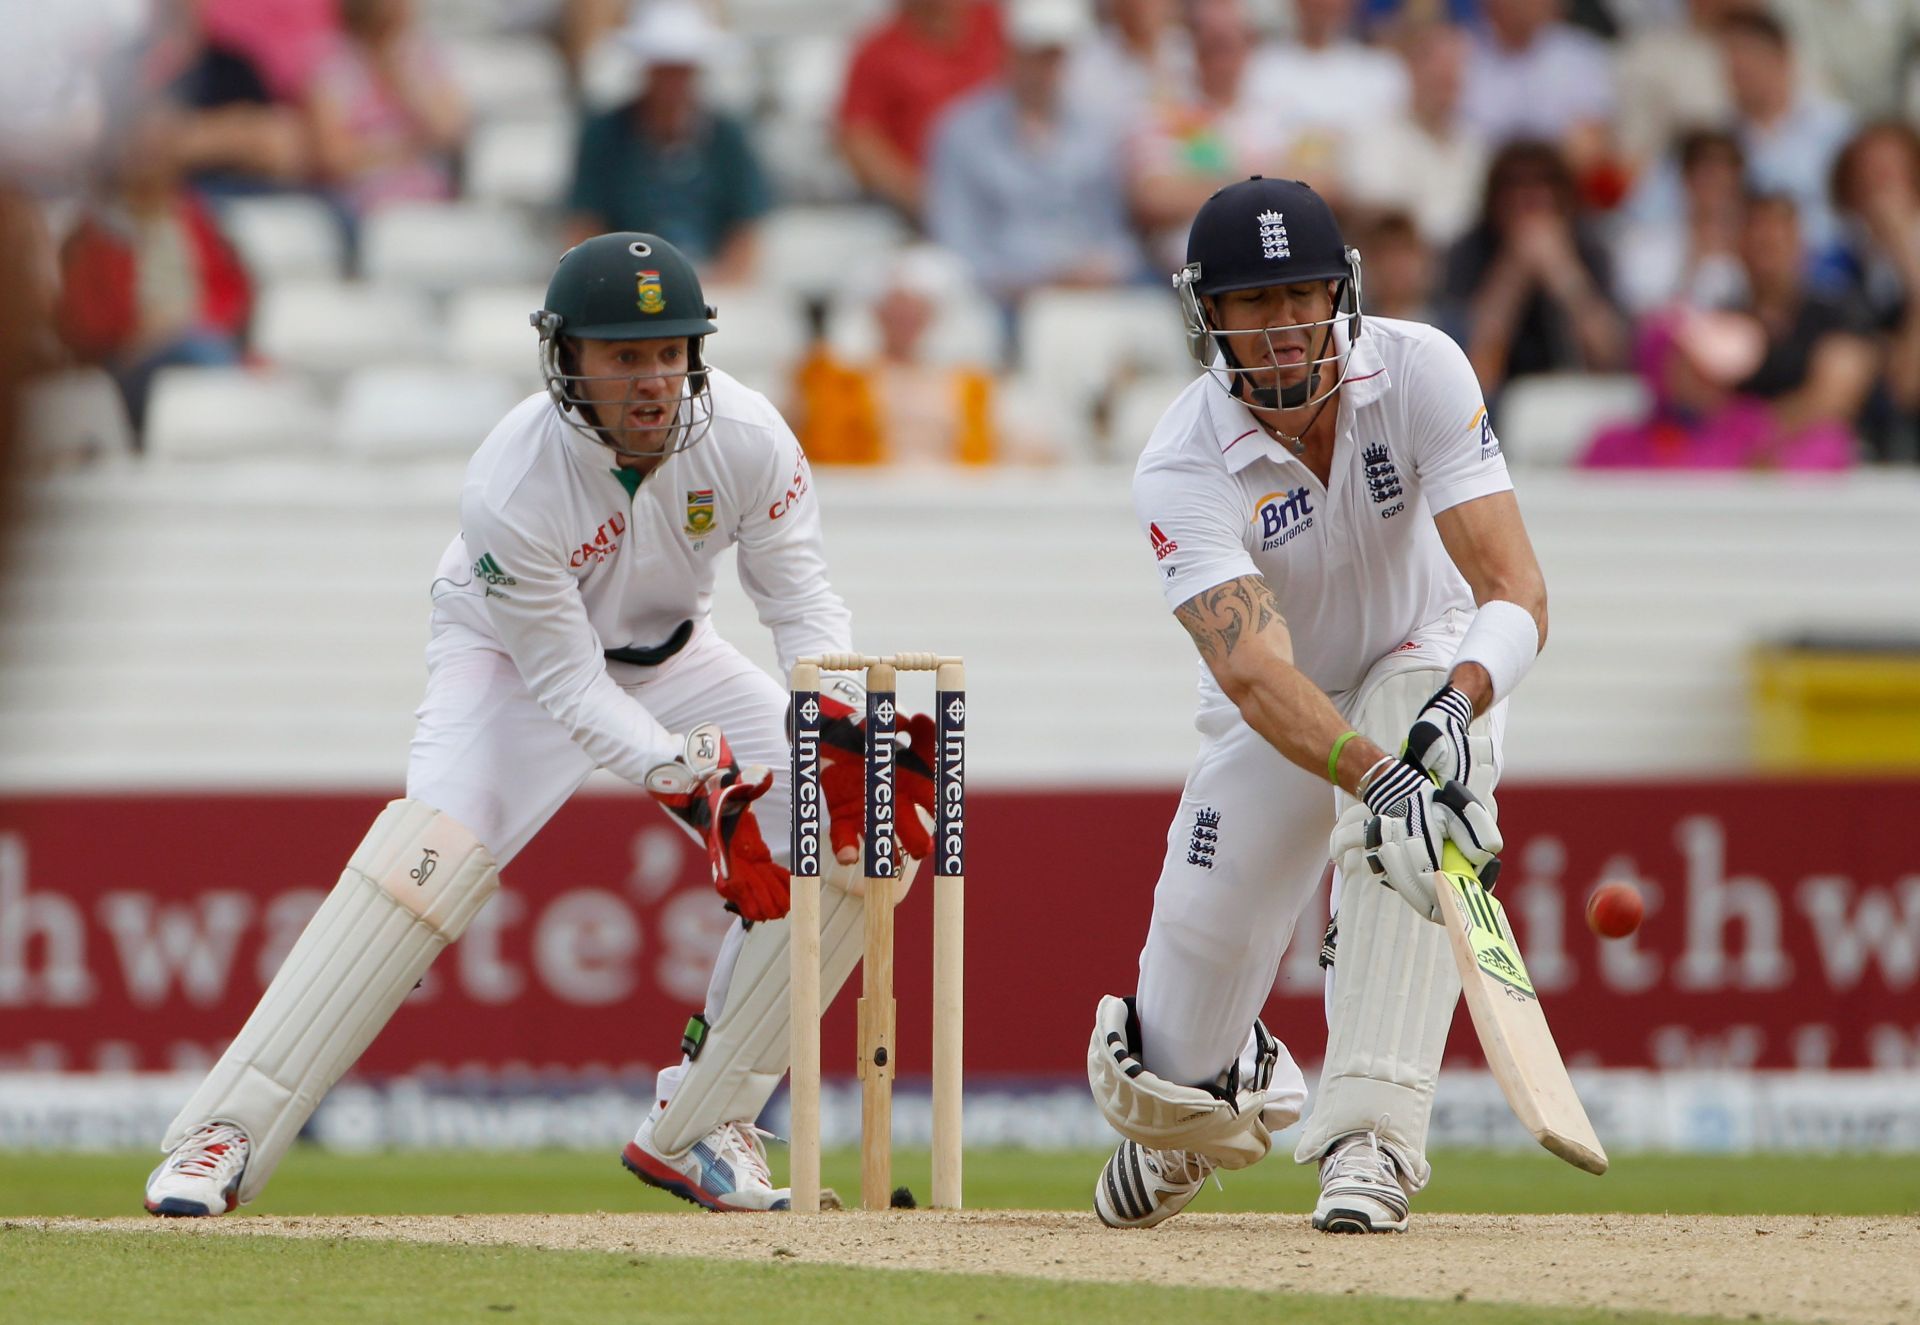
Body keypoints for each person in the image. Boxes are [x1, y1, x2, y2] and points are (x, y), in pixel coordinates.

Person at [142, 232, 938, 1217]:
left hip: (674, 656)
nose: (653, 381)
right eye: (622, 354)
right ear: (567, 359)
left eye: (670, 351)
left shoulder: (750, 436)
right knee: (425, 860)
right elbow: (565, 685)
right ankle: (225, 1129)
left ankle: (700, 1124)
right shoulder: (511, 485)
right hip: (512, 664)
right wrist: (697, 780)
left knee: (861, 839)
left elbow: (803, 605)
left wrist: (837, 715)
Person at [1088, 176, 1539, 1235]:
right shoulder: (1181, 459)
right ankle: (1210, 1093)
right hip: (1281, 710)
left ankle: (1371, 1138)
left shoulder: (1422, 365)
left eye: (1301, 294)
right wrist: (1381, 775)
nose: (1284, 325)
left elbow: (1514, 589)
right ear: (1209, 314)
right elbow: (1254, 671)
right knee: (1171, 1068)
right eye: (1253, 301)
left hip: (1426, 662)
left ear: (1342, 291)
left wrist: (1451, 719)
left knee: (1402, 846)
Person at [925, 0, 1142, 307]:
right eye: (1038, 54)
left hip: (1091, 295)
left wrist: (1100, 269)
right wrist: (1036, 281)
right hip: (999, 301)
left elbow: (1112, 231)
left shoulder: (1095, 130)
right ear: (1011, 52)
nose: (1047, 67)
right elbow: (957, 245)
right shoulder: (961, 131)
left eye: (1056, 55)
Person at [565, 1, 770, 283]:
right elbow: (584, 226)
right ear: (646, 69)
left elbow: (746, 234)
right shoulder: (604, 135)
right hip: (625, 286)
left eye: (682, 69)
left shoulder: (728, 137)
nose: (673, 82)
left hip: (711, 287)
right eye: (664, 69)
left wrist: (713, 290)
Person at [1442, 139, 1626, 397]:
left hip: (1578, 394)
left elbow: (1610, 355)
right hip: (1496, 401)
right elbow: (1472, 363)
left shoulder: (1589, 248)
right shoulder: (1469, 251)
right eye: (1515, 186)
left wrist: (1562, 271)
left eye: (1542, 185)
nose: (1529, 199)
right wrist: (1513, 271)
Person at [837, 0, 1005, 217]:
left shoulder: (997, 24)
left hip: (1006, 195)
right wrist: (925, 196)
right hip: (922, 209)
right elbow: (859, 140)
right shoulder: (876, 52)